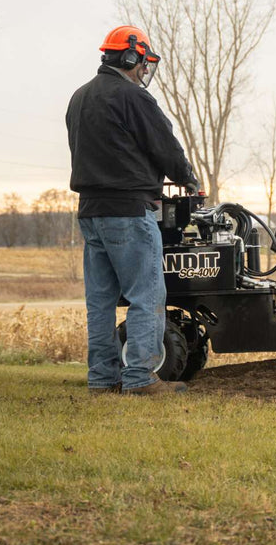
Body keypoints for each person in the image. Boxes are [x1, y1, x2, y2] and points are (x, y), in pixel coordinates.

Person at [66, 25, 199, 396]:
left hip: (90, 213)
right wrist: (187, 179)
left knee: (101, 302)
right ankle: (140, 378)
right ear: (129, 56)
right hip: (128, 211)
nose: (144, 70)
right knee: (147, 295)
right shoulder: (133, 98)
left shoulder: (78, 98)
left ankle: (103, 379)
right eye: (142, 63)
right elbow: (165, 147)